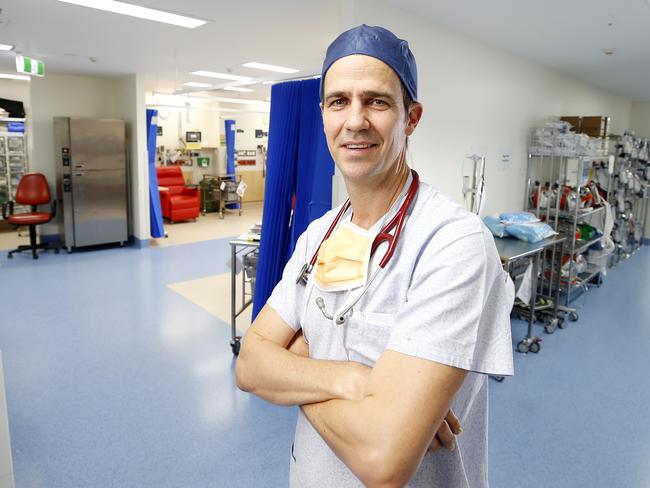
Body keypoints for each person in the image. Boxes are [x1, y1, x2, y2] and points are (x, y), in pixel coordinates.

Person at [236, 24, 514, 488]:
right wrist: (355, 378)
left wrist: (297, 365)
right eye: (339, 101)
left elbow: (383, 457)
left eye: (377, 101)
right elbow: (249, 364)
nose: (356, 120)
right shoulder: (317, 236)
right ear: (323, 113)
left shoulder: (451, 242)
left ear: (412, 118)